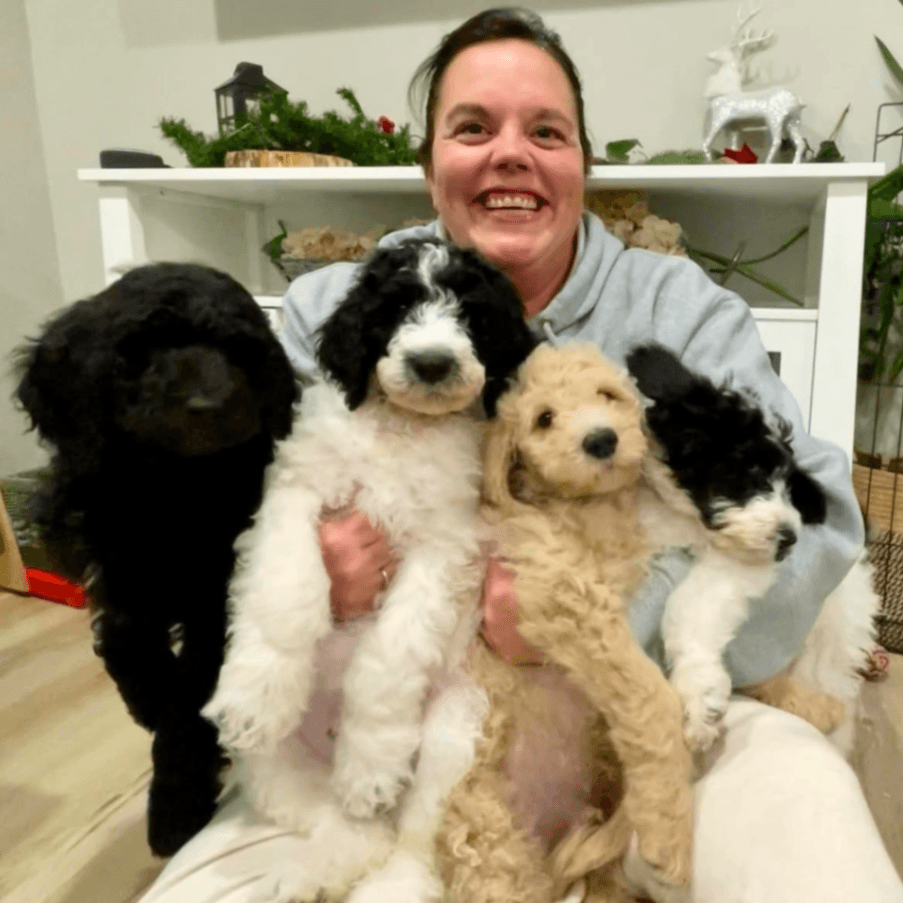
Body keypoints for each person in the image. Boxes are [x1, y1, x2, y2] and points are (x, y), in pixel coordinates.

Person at [139, 8, 903, 902]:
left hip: (641, 716)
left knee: (809, 833)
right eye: (472, 128)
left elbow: (815, 515)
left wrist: (595, 630)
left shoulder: (676, 312)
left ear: (582, 166)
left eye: (546, 131)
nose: (511, 154)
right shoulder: (328, 312)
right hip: (369, 738)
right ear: (429, 171)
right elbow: (211, 538)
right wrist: (317, 574)